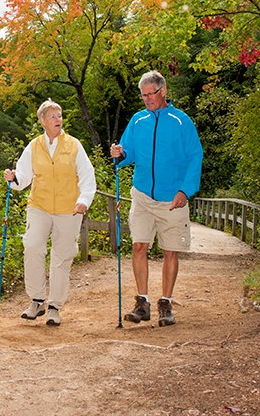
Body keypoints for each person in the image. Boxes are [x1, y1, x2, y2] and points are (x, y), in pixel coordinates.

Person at [110, 70, 203, 327]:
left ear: (163, 91)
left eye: (151, 94)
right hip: (141, 195)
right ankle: (142, 303)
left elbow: (196, 156)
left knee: (169, 251)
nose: (147, 99)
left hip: (172, 199)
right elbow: (127, 152)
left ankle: (166, 303)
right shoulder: (138, 120)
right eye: (143, 95)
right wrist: (119, 153)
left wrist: (185, 190)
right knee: (139, 245)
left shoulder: (181, 121)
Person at [3, 99, 96, 326]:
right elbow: (23, 177)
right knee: (32, 246)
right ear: (42, 120)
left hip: (69, 209)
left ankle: (54, 306)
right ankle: (36, 301)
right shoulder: (34, 146)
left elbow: (87, 176)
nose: (58, 120)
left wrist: (84, 200)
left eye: (60, 115)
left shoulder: (74, 145)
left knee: (62, 256)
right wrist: (13, 178)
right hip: (40, 206)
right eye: (53, 116)